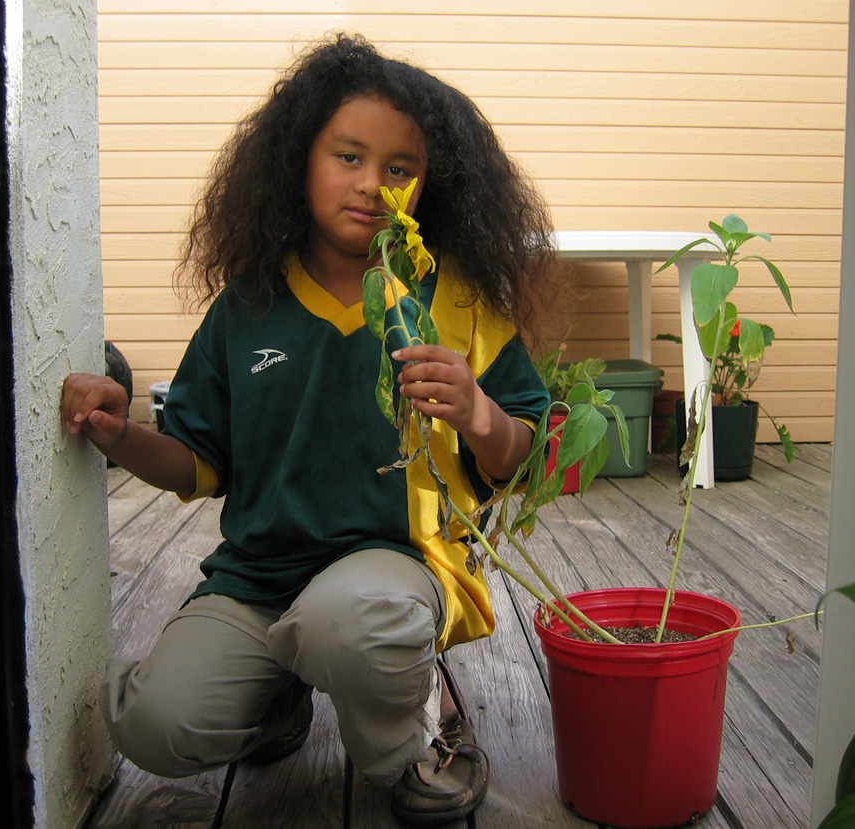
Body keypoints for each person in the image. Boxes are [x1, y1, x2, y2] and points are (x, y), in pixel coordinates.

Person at [61, 34, 552, 825]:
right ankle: (277, 696)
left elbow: (520, 450)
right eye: (348, 157)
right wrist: (120, 436)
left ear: (430, 186)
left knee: (352, 623)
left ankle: (420, 737)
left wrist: (479, 411)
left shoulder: (455, 301)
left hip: (395, 569)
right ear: (300, 159)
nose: (371, 186)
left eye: (400, 169)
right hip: (260, 577)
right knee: (159, 726)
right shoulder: (248, 305)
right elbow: (195, 460)